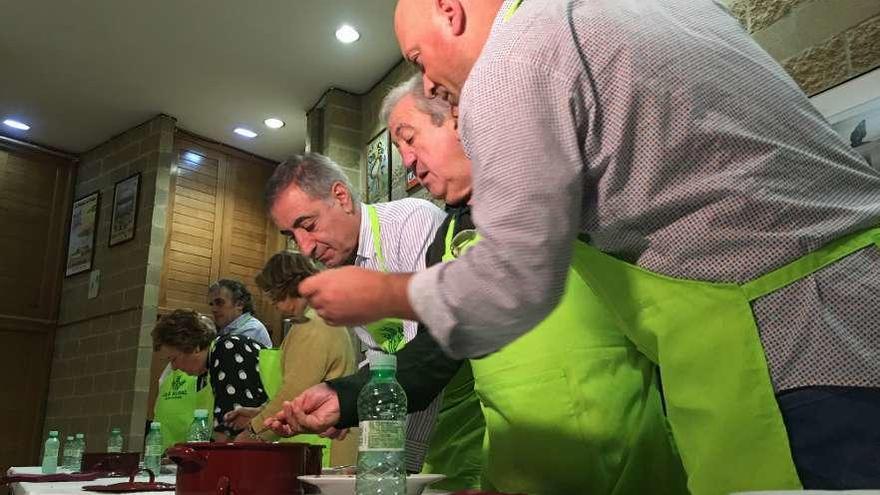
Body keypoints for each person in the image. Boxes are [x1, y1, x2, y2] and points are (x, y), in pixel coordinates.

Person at [293, 0, 880, 492]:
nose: (432, 85)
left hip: (782, 348)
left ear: (451, 11)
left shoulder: (512, 57)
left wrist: (381, 293)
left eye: (420, 60)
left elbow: (514, 280)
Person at [267, 75, 687, 494]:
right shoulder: (447, 238)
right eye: (399, 149)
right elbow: (429, 355)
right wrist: (347, 398)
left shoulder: (558, 185)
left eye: (411, 140)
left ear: (460, 119)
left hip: (625, 461)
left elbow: (661, 314)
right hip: (514, 465)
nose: (409, 162)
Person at [263, 152, 447, 473]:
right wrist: (348, 402)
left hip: (457, 418)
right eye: (292, 236)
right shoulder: (347, 265)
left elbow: (425, 356)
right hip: (413, 419)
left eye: (308, 225)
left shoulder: (412, 223)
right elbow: (383, 356)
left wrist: (397, 461)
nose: (305, 248)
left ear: (341, 197)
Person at [222, 251, 359, 466]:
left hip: (322, 446)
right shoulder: (314, 319)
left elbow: (295, 391)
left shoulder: (314, 324)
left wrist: (253, 432)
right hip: (312, 439)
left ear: (282, 288)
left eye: (269, 292)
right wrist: (258, 413)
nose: (269, 300)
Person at [152, 309, 269, 440]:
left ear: (193, 346)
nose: (174, 368)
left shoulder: (227, 348)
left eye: (173, 359)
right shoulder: (206, 372)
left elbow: (232, 428)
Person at [207, 279, 272, 348]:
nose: (213, 309)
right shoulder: (225, 328)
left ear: (239, 305)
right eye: (211, 304)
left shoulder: (252, 329)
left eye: (219, 302)